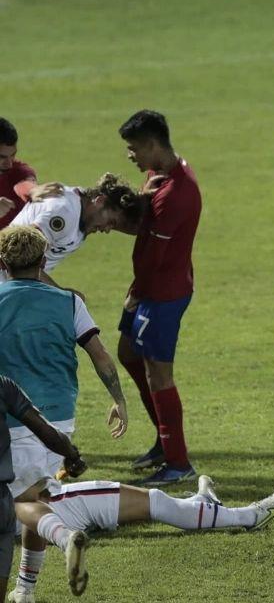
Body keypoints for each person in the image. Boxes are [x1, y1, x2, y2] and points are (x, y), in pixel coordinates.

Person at [7, 475, 274, 602]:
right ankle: (250, 516)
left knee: (158, 503)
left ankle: (202, 502)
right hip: (60, 504)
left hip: (35, 512)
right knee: (157, 502)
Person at [0, 226, 127, 502]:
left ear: (2, 263)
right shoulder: (70, 302)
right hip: (59, 420)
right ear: (43, 261)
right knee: (42, 499)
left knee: (23, 505)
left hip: (9, 421)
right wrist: (119, 399)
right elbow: (100, 355)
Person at [115, 110, 202, 486]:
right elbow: (145, 227)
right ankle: (164, 443)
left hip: (162, 292)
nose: (130, 155)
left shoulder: (176, 193)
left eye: (133, 148)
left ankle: (178, 463)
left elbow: (155, 254)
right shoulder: (159, 173)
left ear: (152, 144)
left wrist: (137, 294)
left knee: (159, 373)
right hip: (149, 286)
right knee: (128, 352)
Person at [0, 374, 86, 602]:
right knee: (32, 497)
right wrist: (72, 455)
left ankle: (63, 540)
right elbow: (46, 431)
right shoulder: (3, 385)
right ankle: (26, 587)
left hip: (19, 434)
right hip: (57, 411)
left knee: (27, 500)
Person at [3, 174, 143, 287]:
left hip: (18, 284)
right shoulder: (64, 214)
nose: (106, 229)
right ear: (100, 201)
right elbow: (19, 255)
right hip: (7, 283)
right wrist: (60, 293)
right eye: (111, 222)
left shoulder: (80, 204)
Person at [0, 118, 37, 230]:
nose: (9, 163)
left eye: (13, 155)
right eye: (2, 157)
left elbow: (31, 188)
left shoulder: (22, 173)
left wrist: (36, 192)